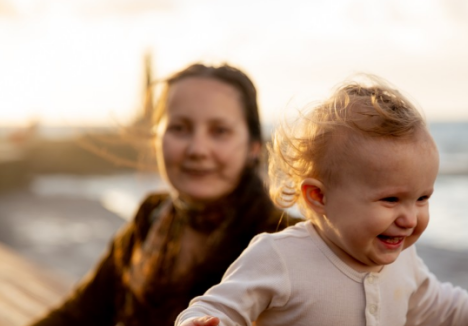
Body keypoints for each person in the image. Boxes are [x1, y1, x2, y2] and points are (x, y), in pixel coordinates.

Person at [175, 76, 468, 326]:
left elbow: (439, 306)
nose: (409, 217)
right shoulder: (279, 257)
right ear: (319, 196)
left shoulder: (403, 262)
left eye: (422, 198)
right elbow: (222, 306)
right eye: (390, 199)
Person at [29, 63, 299, 326]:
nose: (197, 149)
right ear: (156, 137)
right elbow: (81, 314)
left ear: (253, 147)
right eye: (179, 128)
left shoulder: (288, 241)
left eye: (219, 131)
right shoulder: (151, 216)